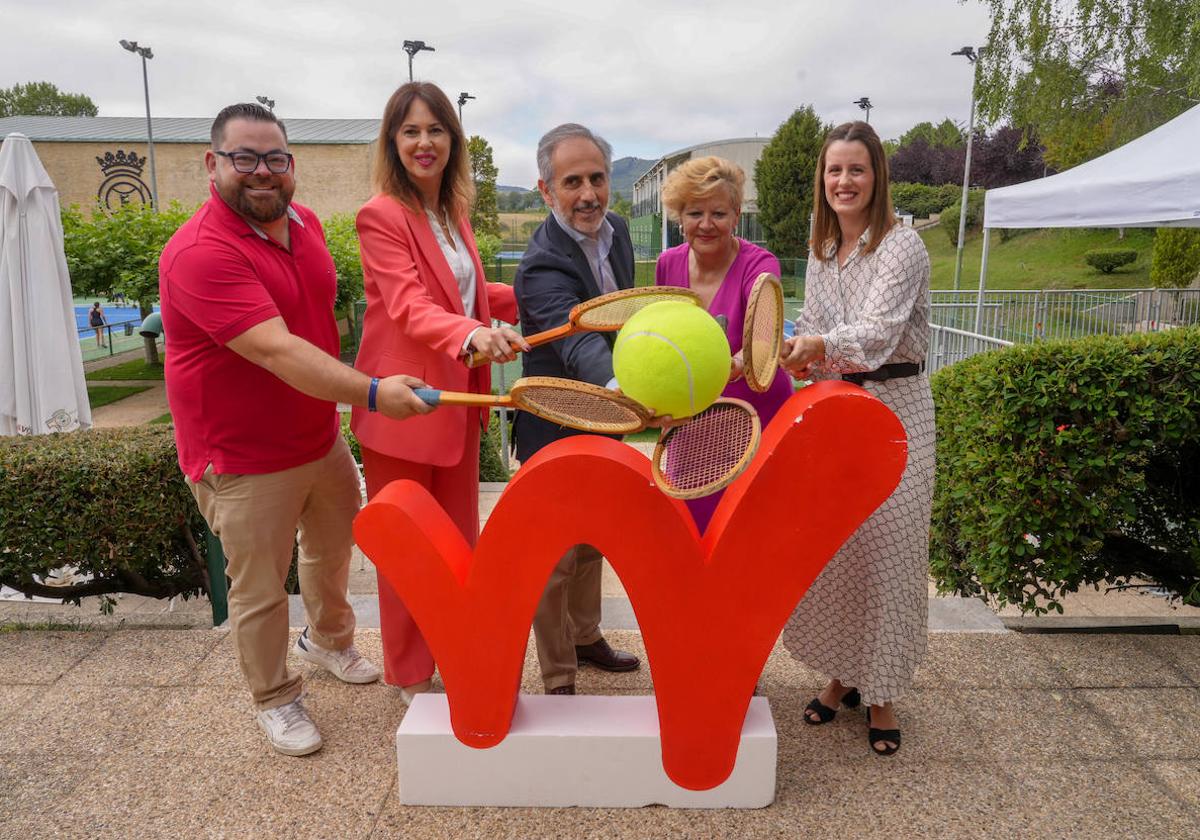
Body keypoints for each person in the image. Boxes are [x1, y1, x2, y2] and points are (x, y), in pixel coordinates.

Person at [159, 102, 434, 757]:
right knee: (259, 590)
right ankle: (275, 698)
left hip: (317, 438)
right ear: (212, 164)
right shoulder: (199, 253)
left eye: (275, 158)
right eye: (244, 158)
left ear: (291, 165)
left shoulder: (305, 223)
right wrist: (371, 392)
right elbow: (278, 351)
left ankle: (330, 642)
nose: (262, 172)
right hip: (242, 458)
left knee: (332, 549)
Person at [351, 82, 527, 705]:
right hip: (403, 405)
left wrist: (539, 301)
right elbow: (408, 306)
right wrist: (476, 333)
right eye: (410, 131)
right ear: (393, 143)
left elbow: (470, 297)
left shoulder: (452, 214)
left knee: (457, 544)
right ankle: (409, 672)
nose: (424, 143)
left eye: (436, 130)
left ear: (453, 141)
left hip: (457, 405)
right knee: (407, 552)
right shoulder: (381, 215)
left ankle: (454, 652)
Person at [778, 121, 934, 757]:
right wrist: (796, 357)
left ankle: (884, 693)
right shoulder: (820, 250)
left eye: (857, 170)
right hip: (841, 410)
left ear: (878, 177)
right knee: (840, 549)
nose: (844, 182)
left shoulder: (904, 245)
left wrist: (814, 347)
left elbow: (874, 334)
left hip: (897, 409)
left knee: (890, 553)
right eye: (834, 170)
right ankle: (843, 677)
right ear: (823, 179)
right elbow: (814, 327)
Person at [513, 123, 642, 695]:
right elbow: (579, 341)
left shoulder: (617, 230)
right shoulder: (540, 266)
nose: (588, 193)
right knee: (553, 556)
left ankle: (586, 637)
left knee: (592, 542)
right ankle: (559, 675)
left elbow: (625, 316)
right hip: (556, 423)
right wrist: (625, 388)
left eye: (596, 178)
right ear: (546, 190)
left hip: (607, 416)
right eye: (572, 182)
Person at [654, 156, 793, 531]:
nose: (705, 224)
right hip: (693, 425)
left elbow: (764, 340)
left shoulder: (760, 265)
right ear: (679, 217)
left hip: (758, 420)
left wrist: (727, 364)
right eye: (694, 212)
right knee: (693, 535)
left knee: (756, 538)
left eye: (718, 213)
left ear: (735, 216)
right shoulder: (667, 265)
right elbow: (663, 346)